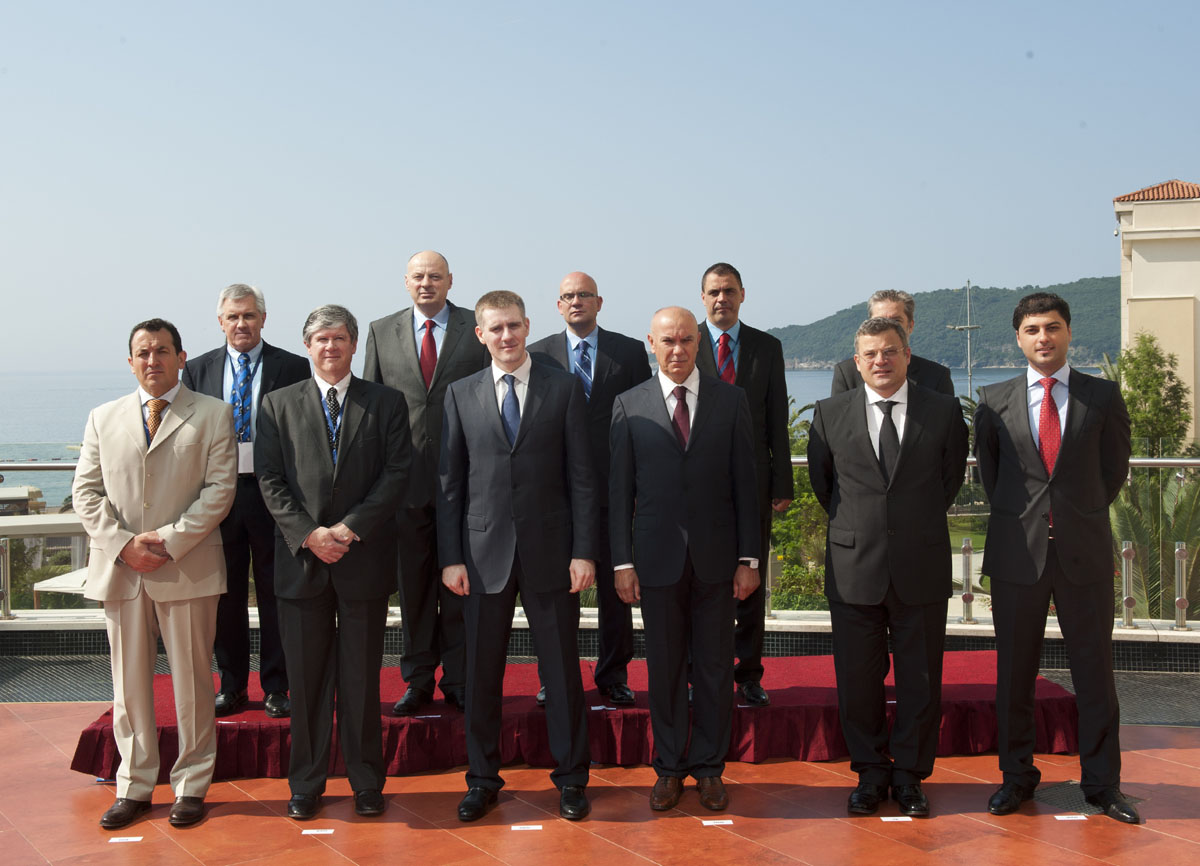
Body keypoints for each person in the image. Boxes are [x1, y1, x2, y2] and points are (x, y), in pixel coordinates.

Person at [975, 292, 1138, 823]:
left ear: (1068, 332)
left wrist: (1074, 516)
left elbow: (1112, 472)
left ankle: (1103, 784)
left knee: (1095, 673)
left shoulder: (1102, 395)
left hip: (1083, 553)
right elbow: (993, 478)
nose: (1043, 337)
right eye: (1032, 329)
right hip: (1016, 556)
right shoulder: (993, 400)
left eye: (1052, 327)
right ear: (1018, 339)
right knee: (1014, 674)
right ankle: (1016, 778)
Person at [73, 318, 237, 830]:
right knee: (128, 688)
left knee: (193, 684)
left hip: (186, 565)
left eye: (162, 350)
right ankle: (134, 785)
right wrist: (124, 545)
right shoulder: (102, 417)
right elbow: (86, 492)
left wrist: (165, 541)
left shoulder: (213, 413)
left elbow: (219, 491)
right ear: (130, 362)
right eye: (143, 352)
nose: (152, 360)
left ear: (181, 358)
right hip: (122, 571)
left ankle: (192, 785)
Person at [438, 290, 596, 823]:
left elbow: (582, 477)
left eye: (513, 325)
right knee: (482, 676)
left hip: (553, 554)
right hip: (481, 557)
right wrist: (451, 557)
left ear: (527, 326)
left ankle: (572, 779)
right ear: (480, 335)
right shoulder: (460, 394)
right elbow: (450, 484)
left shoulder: (563, 387)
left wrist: (584, 552)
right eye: (496, 328)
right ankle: (482, 780)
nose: (506, 336)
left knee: (563, 672)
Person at [255, 305, 412, 821]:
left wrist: (349, 528)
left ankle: (367, 781)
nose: (330, 347)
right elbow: (270, 479)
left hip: (362, 558)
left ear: (353, 344)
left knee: (362, 681)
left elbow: (397, 472)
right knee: (306, 683)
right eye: (321, 339)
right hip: (302, 564)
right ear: (307, 346)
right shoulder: (277, 404)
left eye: (340, 338)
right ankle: (306, 783)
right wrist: (310, 534)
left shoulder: (385, 402)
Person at [807, 317, 968, 817]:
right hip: (854, 569)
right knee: (858, 683)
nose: (881, 360)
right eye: (871, 354)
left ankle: (910, 776)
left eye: (890, 351)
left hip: (921, 564)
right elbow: (825, 486)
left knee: (921, 681)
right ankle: (871, 774)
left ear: (907, 355)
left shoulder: (942, 411)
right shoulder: (830, 413)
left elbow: (948, 481)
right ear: (857, 362)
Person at [610, 306, 760, 813]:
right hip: (655, 563)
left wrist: (749, 559)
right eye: (668, 340)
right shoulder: (629, 405)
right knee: (665, 670)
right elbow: (619, 492)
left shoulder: (731, 400)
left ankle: (710, 769)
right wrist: (621, 562)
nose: (677, 350)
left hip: (719, 562)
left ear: (699, 343)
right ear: (651, 343)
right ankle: (670, 769)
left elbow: (747, 486)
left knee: (716, 669)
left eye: (686, 340)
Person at [363, 250, 490, 717]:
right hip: (404, 483)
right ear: (406, 281)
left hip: (467, 480)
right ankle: (417, 680)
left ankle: (458, 678)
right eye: (418, 276)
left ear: (450, 281)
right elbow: (370, 407)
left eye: (435, 276)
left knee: (460, 586)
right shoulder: (381, 331)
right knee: (413, 588)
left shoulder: (476, 328)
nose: (426, 283)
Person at [182, 283, 311, 720]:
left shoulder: (293, 367)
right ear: (220, 322)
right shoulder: (196, 370)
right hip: (217, 496)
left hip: (273, 494)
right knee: (225, 595)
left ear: (263, 319)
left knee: (276, 593)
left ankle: (277, 686)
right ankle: (232, 685)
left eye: (249, 315)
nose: (242, 324)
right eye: (233, 316)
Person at [528, 271, 653, 707]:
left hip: (612, 490)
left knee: (616, 590)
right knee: (555, 593)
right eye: (568, 296)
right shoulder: (536, 354)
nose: (576, 301)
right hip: (554, 495)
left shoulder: (629, 352)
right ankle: (555, 676)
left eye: (584, 294)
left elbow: (643, 416)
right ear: (558, 305)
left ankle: (613, 675)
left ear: (599, 302)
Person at [695, 262, 793, 706]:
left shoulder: (766, 347)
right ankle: (700, 674)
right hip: (700, 486)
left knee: (750, 579)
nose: (722, 298)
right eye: (714, 291)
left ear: (742, 295)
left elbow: (776, 418)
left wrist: (782, 482)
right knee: (701, 581)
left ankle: (749, 674)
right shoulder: (687, 342)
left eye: (729, 290)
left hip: (753, 484)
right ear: (703, 297)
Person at [830, 289, 955, 397]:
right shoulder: (847, 374)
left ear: (910, 326)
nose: (887, 327)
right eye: (880, 320)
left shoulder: (937, 376)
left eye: (896, 321)